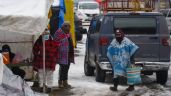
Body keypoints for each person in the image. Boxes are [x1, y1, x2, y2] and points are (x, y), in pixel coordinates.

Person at [54, 22, 75, 88]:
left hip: (68, 54)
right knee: (63, 68)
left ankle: (65, 82)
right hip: (62, 54)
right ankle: (60, 82)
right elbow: (55, 43)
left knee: (67, 68)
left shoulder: (69, 34)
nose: (68, 29)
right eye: (66, 27)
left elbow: (70, 42)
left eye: (69, 27)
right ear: (63, 27)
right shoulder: (58, 33)